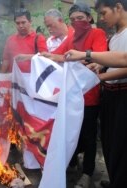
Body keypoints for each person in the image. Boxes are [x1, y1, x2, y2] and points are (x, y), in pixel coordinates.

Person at [43, 3, 107, 188]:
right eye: (73, 19)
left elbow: (99, 56)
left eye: (80, 18)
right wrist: (37, 57)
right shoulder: (71, 38)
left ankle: (87, 173)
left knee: (89, 135)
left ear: (89, 18)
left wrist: (78, 57)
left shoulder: (97, 34)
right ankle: (72, 162)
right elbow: (57, 55)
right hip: (71, 96)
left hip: (90, 95)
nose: (76, 22)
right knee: (73, 132)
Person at [70, 1, 127, 187]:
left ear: (118, 7)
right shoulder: (114, 37)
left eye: (103, 13)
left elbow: (125, 61)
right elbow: (110, 59)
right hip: (109, 95)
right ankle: (115, 179)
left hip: (123, 95)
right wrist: (99, 66)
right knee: (109, 142)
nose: (102, 18)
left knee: (120, 145)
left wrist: (90, 59)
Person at [1, 8, 47, 73]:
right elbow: (6, 60)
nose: (21, 26)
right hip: (14, 80)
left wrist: (27, 57)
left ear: (30, 22)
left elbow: (45, 58)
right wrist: (1, 78)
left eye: (23, 22)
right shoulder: (10, 40)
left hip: (32, 79)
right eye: (18, 23)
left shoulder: (38, 38)